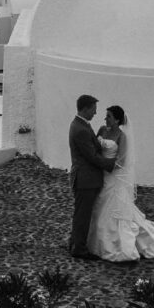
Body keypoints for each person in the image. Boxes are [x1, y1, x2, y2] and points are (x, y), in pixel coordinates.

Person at [87, 105, 154, 263]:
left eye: (109, 116)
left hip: (112, 176)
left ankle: (119, 246)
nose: (105, 119)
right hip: (100, 175)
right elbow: (95, 149)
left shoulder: (121, 136)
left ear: (117, 119)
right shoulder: (102, 130)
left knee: (113, 209)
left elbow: (122, 161)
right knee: (98, 207)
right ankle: (94, 243)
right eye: (106, 116)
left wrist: (104, 165)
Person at [68, 94, 115, 259]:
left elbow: (92, 146)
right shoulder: (80, 129)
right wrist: (111, 164)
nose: (95, 113)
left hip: (85, 178)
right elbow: (91, 156)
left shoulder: (81, 125)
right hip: (85, 178)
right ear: (85, 108)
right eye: (93, 110)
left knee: (81, 213)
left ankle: (74, 242)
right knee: (83, 214)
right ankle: (79, 248)